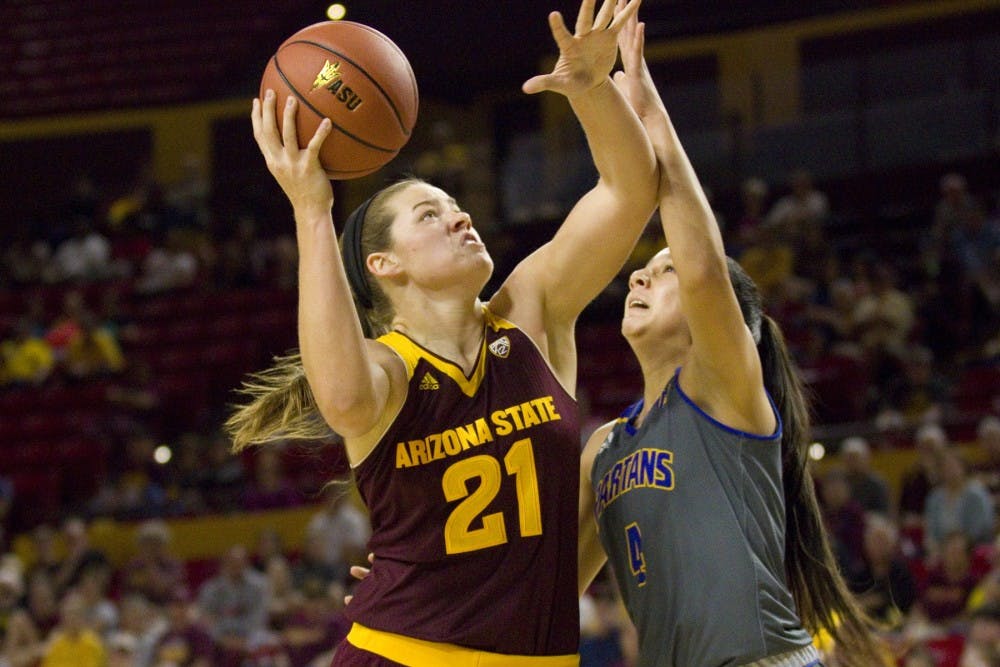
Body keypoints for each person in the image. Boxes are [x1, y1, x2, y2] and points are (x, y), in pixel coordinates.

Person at [225, 0, 657, 663]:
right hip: (405, 653)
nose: (460, 219)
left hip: (537, 655)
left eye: (458, 208)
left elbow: (631, 192)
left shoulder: (531, 313)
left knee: (611, 450)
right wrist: (313, 209)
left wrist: (593, 89)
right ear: (384, 264)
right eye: (431, 214)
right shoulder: (389, 370)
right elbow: (340, 399)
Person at [577, 11, 885, 666]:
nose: (641, 272)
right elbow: (547, 589)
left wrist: (648, 108)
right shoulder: (602, 447)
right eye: (648, 268)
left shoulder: (721, 391)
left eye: (664, 273)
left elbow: (705, 269)